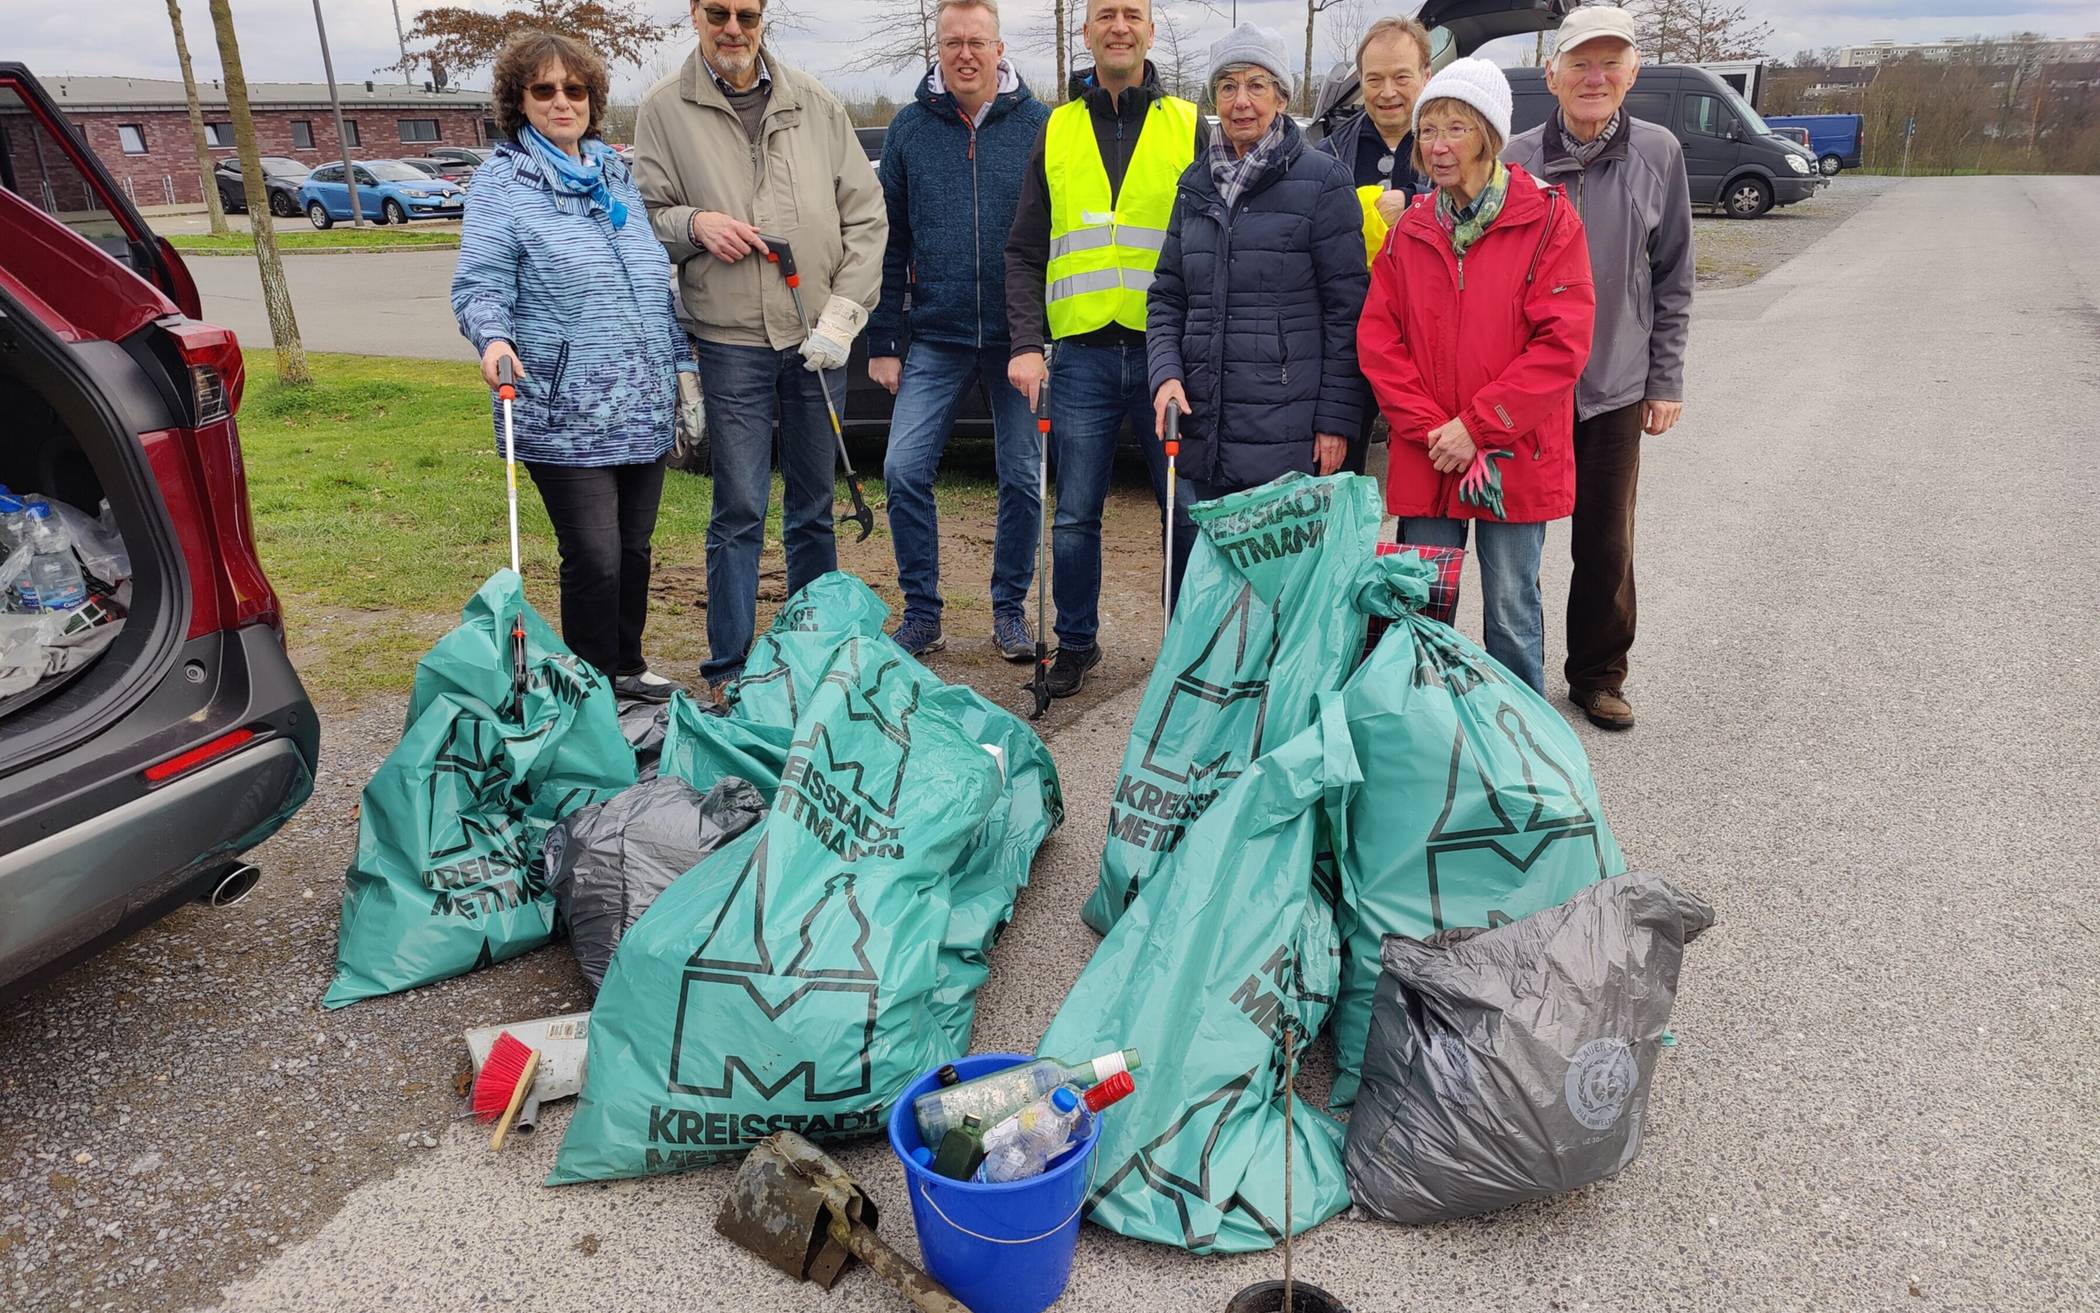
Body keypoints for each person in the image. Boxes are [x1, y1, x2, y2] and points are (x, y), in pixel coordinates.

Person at [633, 0, 886, 693]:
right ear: (695, 15)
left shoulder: (816, 103)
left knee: (812, 505)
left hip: (815, 338)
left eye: (747, 12)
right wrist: (694, 223)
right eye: (719, 12)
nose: (734, 27)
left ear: (763, 16)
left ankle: (810, 659)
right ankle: (730, 669)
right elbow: (644, 216)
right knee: (739, 508)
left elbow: (866, 214)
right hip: (730, 341)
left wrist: (845, 312)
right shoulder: (662, 110)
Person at [450, 30, 695, 703]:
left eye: (575, 89)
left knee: (635, 550)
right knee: (594, 554)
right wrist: (492, 340)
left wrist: (681, 371)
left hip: (641, 401)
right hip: (563, 408)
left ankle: (628, 664)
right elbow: (480, 285)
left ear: (593, 98)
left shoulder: (615, 174)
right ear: (519, 101)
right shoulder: (502, 183)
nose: (563, 102)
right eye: (545, 90)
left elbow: (653, 285)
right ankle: (592, 685)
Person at [1356, 57, 1595, 695]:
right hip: (1430, 453)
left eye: (1455, 129)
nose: (1437, 146)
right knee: (1420, 609)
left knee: (1511, 612)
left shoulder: (1547, 221)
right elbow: (1380, 340)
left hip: (1512, 456)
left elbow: (1562, 343)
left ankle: (1520, 754)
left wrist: (1480, 427)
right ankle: (1420, 742)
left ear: (1488, 136)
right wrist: (1438, 430)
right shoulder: (1409, 230)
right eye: (1427, 130)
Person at [1004, 0, 1206, 699]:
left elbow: (1215, 239)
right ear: (1086, 32)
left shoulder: (1187, 123)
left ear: (1150, 30)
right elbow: (1026, 249)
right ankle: (1078, 643)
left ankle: (1187, 645)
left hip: (1165, 354)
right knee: (1074, 514)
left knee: (1182, 510)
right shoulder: (1055, 128)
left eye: (1132, 13)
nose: (1118, 25)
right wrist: (1027, 342)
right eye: (1105, 14)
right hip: (1083, 352)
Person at [1503, 4, 1693, 731]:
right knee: (1515, 542)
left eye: (1610, 62)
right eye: (1580, 62)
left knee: (1606, 540)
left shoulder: (1659, 152)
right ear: (1551, 74)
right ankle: (1513, 673)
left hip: (1615, 384)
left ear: (1632, 73)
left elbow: (1673, 273)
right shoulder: (1516, 157)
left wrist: (1665, 379)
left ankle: (1597, 675)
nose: (1595, 76)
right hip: (1530, 391)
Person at [869, 0, 1051, 661]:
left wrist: (1043, 334)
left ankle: (1009, 611)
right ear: (938, 50)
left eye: (977, 41)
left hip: (1017, 339)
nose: (965, 54)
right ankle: (922, 613)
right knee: (902, 468)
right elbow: (888, 241)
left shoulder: (1040, 125)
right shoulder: (910, 130)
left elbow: (1053, 238)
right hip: (937, 337)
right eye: (953, 43)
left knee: (1023, 478)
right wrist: (884, 340)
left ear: (1000, 48)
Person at [1147, 26, 1366, 521]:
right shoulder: (1194, 186)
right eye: (1227, 86)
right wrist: (1165, 376)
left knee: (1279, 591)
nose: (1240, 101)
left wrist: (1335, 421)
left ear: (1282, 97)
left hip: (1285, 432)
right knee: (1202, 584)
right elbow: (1167, 296)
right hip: (1203, 428)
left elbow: (1347, 313)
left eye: (1256, 85)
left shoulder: (1324, 182)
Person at [1319, 17, 1432, 225]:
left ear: (1426, 77)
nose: (1388, 92)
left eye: (1401, 77)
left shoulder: (1457, 151)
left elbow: (1475, 209)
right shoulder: (1327, 155)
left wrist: (1414, 201)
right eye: (1374, 79)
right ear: (1361, 82)